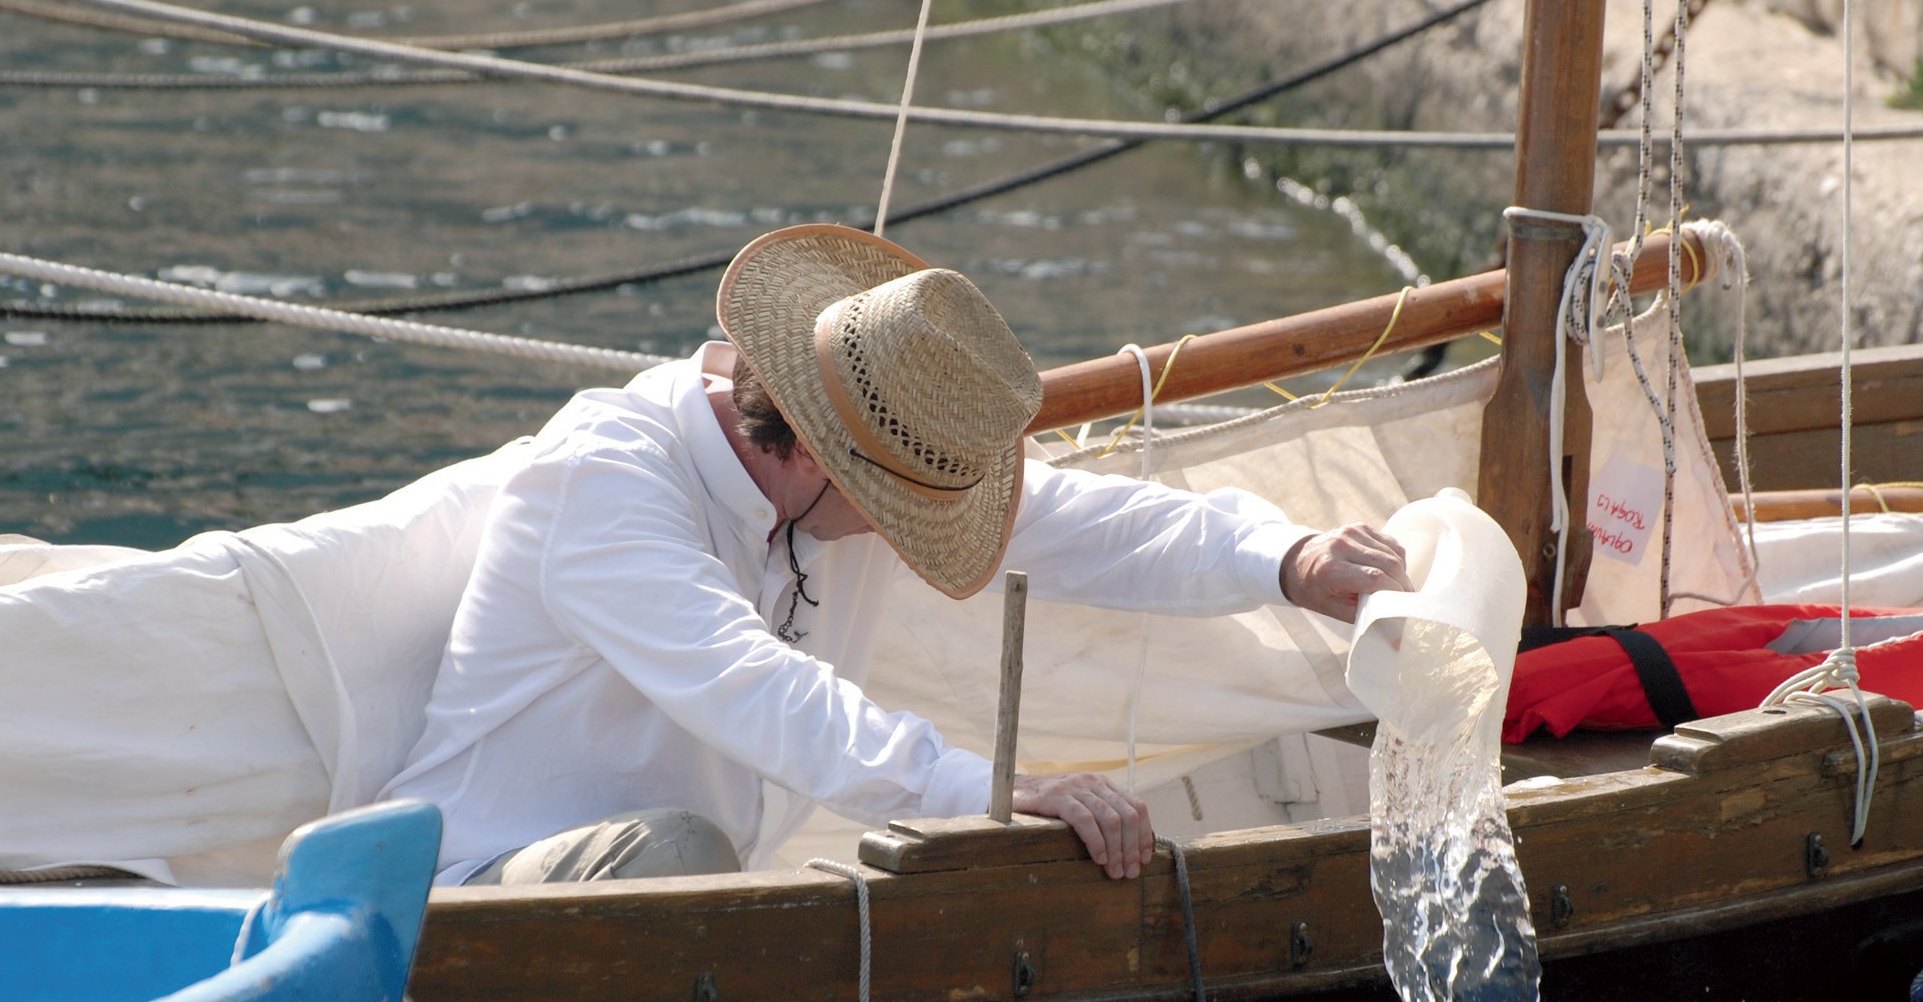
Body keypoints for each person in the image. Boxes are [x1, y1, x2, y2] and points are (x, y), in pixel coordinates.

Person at [383, 224, 1410, 887]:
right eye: (907, 512)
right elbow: (754, 688)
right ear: (830, 465)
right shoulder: (602, 482)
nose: (915, 539)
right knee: (682, 856)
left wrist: (1286, 557)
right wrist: (987, 788)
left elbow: (1078, 520)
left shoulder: (837, 464)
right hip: (463, 902)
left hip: (681, 904)